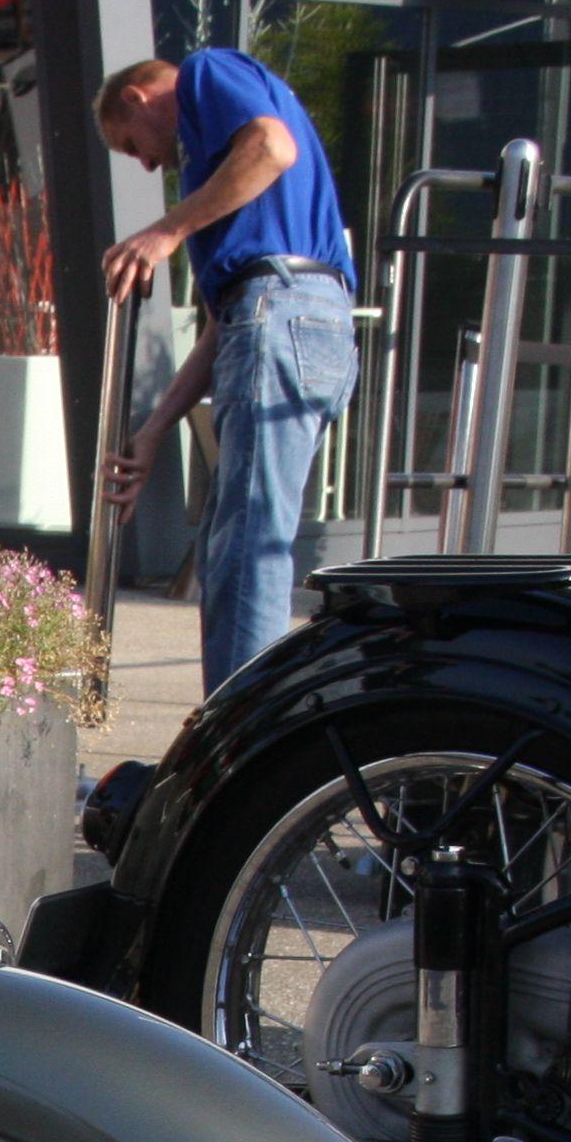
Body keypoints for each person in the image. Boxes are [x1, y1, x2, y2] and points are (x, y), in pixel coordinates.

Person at [92, 49, 355, 690]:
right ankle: (236, 709)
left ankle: (242, 725)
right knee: (228, 543)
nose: (148, 165)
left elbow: (272, 147)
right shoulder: (223, 186)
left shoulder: (205, 74)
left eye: (133, 146)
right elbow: (223, 328)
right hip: (285, 316)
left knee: (248, 544)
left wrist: (165, 232)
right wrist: (154, 431)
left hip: (283, 308)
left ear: (136, 98)